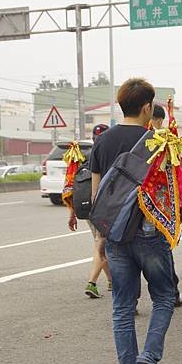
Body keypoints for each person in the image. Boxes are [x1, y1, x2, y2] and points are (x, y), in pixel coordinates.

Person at [90, 78, 176, 364]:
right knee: (165, 296)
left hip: (114, 233)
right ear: (145, 108)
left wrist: (100, 237)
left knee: (123, 307)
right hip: (150, 233)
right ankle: (148, 360)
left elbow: (98, 195)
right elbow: (167, 194)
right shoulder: (158, 142)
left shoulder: (102, 141)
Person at [66, 124, 112, 299]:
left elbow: (72, 187)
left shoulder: (83, 157)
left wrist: (72, 213)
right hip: (103, 207)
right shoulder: (108, 155)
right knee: (101, 243)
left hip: (86, 208)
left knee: (100, 243)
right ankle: (91, 283)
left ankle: (111, 281)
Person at [147, 104, 182, 307]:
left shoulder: (135, 139)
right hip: (159, 205)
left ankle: (131, 301)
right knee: (162, 251)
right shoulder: (167, 140)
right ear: (160, 120)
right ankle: (172, 292)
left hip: (131, 204)